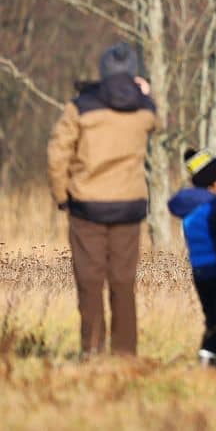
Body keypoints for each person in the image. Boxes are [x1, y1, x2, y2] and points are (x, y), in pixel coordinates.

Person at [46, 42, 158, 357]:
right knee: (123, 281)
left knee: (90, 280)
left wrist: (61, 194)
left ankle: (92, 348)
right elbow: (160, 123)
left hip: (86, 204)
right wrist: (145, 93)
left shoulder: (80, 107)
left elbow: (57, 153)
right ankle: (125, 353)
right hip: (129, 204)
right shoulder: (144, 110)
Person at [167, 149, 216, 367]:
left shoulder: (189, 208)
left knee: (211, 316)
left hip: (200, 271)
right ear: (214, 183)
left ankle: (206, 355)